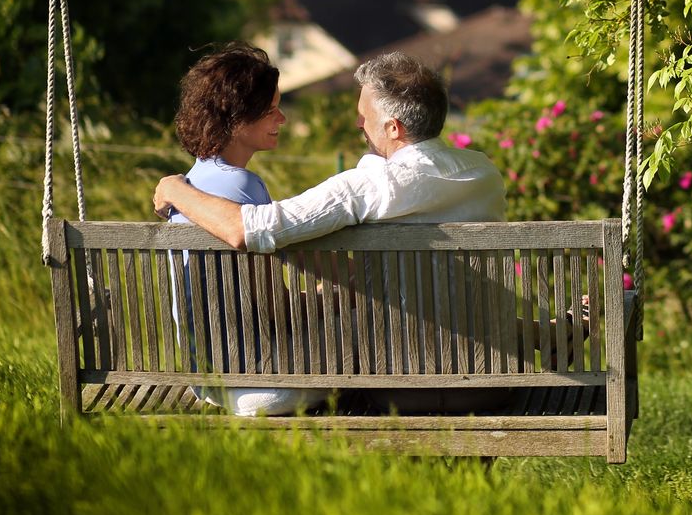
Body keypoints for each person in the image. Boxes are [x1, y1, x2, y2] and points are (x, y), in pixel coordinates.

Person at [155, 52, 507, 413]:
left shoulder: (370, 184)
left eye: (364, 116)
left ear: (393, 128)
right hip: (492, 376)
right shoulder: (484, 172)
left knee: (365, 318)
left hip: (401, 383)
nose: (358, 123)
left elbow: (247, 229)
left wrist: (173, 188)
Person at [166, 43, 326, 417]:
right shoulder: (243, 188)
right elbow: (275, 308)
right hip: (258, 382)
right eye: (271, 111)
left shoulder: (187, 185)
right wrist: (328, 298)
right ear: (236, 119)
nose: (282, 119)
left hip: (206, 377)